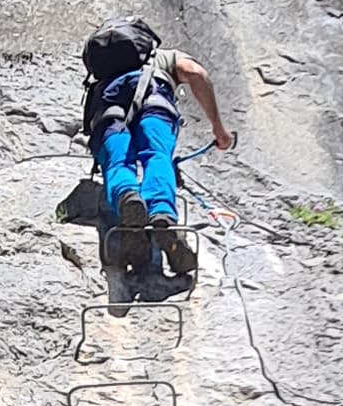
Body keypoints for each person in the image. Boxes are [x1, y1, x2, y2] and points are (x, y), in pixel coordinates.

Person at [79, 17, 232, 281]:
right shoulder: (162, 57)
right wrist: (218, 128)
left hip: (107, 111)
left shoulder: (101, 74)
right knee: (156, 157)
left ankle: (129, 199)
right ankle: (161, 214)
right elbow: (195, 73)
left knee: (118, 163)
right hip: (155, 104)